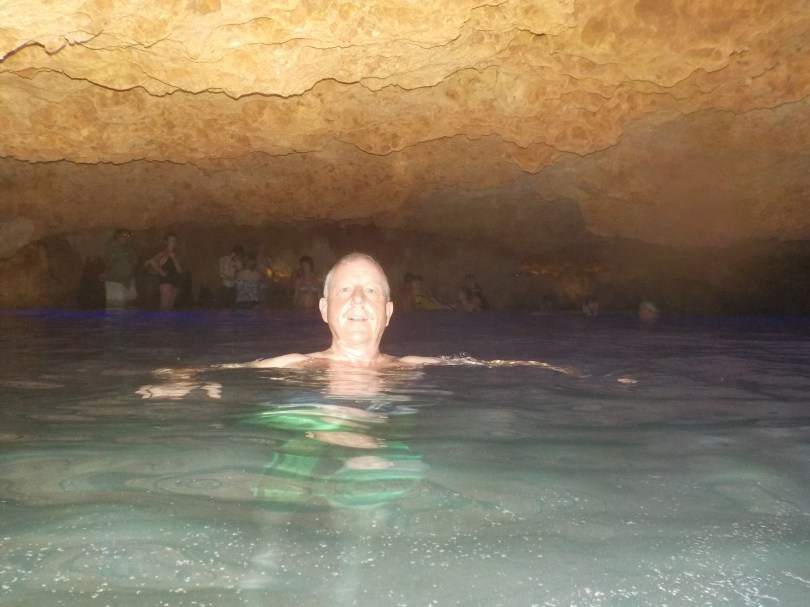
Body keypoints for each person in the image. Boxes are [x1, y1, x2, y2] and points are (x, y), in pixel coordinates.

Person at [252, 253, 440, 369]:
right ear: (324, 309)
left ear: (388, 312)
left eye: (371, 290)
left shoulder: (422, 367)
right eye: (345, 289)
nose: (358, 298)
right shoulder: (284, 367)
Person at [101, 228, 137, 309]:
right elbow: (110, 260)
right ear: (117, 235)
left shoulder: (127, 248)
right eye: (123, 234)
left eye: (128, 235)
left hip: (127, 280)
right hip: (115, 280)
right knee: (115, 306)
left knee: (129, 306)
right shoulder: (113, 246)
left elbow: (133, 262)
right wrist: (105, 272)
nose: (126, 237)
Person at [147, 233, 183, 310]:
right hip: (166, 280)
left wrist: (173, 258)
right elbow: (151, 261)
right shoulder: (163, 253)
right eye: (171, 240)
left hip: (175, 280)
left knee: (170, 307)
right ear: (166, 242)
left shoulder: (176, 256)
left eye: (175, 241)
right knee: (164, 307)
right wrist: (161, 271)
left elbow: (179, 271)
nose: (173, 242)